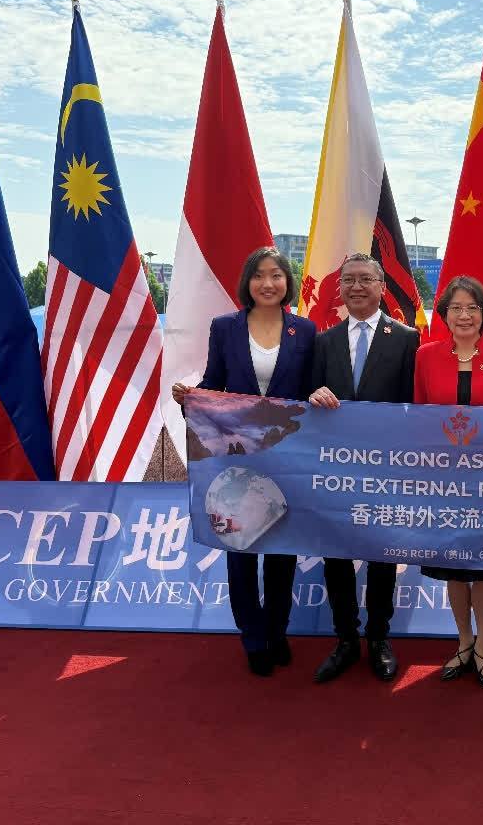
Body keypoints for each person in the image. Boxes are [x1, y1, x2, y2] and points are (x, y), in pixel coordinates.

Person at [171, 246, 316, 677]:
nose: (267, 283)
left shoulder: (306, 330)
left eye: (276, 275)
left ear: (287, 282)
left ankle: (277, 630)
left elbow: (311, 388)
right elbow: (214, 382)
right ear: (247, 282)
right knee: (240, 547)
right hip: (235, 457)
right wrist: (190, 396)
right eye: (259, 275)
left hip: (287, 454)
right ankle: (252, 636)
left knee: (282, 549)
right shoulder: (225, 328)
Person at [307, 253, 420, 684]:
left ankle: (379, 637)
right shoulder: (323, 341)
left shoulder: (406, 339)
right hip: (335, 468)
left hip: (386, 468)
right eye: (349, 280)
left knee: (381, 555)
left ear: (381, 287)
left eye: (365, 280)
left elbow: (414, 405)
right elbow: (305, 397)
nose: (356, 287)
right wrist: (313, 394)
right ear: (339, 289)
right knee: (336, 554)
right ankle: (345, 638)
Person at [415, 276, 483, 692]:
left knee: (482, 565)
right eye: (455, 308)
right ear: (443, 314)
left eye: (472, 308)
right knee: (453, 567)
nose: (463, 315)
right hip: (442, 481)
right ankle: (463, 641)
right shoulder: (425, 356)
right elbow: (418, 414)